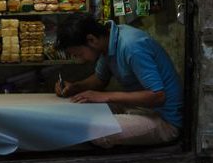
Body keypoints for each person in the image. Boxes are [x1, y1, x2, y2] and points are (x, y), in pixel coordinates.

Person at [56, 15, 183, 149]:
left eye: (79, 54)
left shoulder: (131, 46)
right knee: (81, 110)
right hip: (140, 108)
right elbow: (99, 80)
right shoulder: (108, 42)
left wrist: (105, 96)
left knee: (95, 130)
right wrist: (74, 87)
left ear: (91, 40)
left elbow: (158, 96)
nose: (79, 60)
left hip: (164, 119)